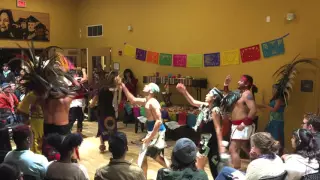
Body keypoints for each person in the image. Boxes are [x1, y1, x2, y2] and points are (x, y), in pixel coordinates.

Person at [13, 45, 81, 161]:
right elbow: (78, 87)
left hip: (47, 127)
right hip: (62, 128)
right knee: (66, 156)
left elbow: (34, 99)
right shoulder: (66, 98)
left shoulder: (42, 98)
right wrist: (66, 75)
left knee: (48, 156)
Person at [117, 77, 168, 179]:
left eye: (147, 85)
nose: (145, 85)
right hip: (153, 132)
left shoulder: (153, 102)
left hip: (157, 132)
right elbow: (133, 100)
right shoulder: (147, 100)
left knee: (152, 156)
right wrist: (123, 86)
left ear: (151, 91)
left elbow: (159, 121)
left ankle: (174, 171)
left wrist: (149, 138)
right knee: (145, 156)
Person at [176, 83, 223, 178]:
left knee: (213, 167)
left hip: (211, 142)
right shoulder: (206, 106)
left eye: (209, 93)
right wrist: (184, 92)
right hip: (205, 140)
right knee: (199, 164)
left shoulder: (215, 110)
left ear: (214, 97)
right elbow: (193, 102)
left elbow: (218, 128)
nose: (206, 95)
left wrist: (221, 145)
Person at [221, 75, 257, 169]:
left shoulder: (247, 94)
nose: (238, 82)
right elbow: (228, 97)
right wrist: (226, 84)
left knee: (233, 149)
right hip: (237, 125)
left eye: (241, 81)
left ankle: (236, 171)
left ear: (247, 83)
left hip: (242, 125)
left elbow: (253, 110)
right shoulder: (239, 93)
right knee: (246, 148)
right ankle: (259, 164)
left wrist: (243, 123)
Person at [216, 132, 285, 180]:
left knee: (225, 170)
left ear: (259, 148)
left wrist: (253, 159)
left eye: (253, 146)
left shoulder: (255, 164)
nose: (251, 148)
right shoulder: (278, 158)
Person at [89, 71, 121, 152]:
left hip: (102, 111)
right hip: (110, 111)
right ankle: (112, 144)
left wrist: (91, 104)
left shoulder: (101, 89)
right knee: (111, 128)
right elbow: (118, 101)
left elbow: (93, 103)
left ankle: (102, 144)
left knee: (102, 127)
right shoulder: (115, 90)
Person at [257, 84, 286, 154]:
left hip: (277, 121)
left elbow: (274, 109)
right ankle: (271, 152)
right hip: (272, 120)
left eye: (274, 89)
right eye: (272, 89)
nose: (273, 91)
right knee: (269, 136)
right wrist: (258, 105)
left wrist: (264, 105)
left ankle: (278, 153)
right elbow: (268, 106)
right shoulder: (275, 99)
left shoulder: (279, 99)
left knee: (276, 137)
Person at [69, 68, 88, 134]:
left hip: (73, 101)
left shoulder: (68, 80)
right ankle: (76, 131)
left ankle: (76, 131)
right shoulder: (76, 79)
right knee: (77, 118)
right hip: (77, 102)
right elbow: (85, 79)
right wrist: (84, 71)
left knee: (74, 118)